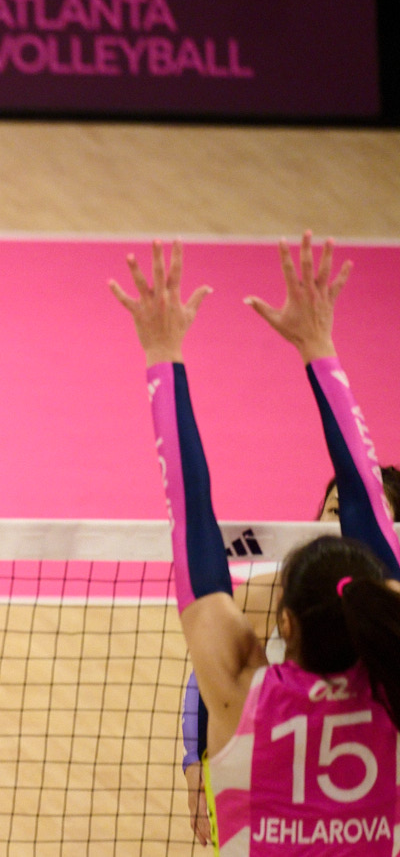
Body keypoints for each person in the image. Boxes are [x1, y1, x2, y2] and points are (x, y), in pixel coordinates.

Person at [111, 233, 400, 853]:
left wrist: (163, 355)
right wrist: (319, 348)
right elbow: (370, 508)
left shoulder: (242, 695)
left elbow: (191, 516)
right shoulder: (394, 693)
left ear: (284, 623)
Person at [180, 471, 400, 845]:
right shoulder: (265, 597)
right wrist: (195, 765)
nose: (342, 524)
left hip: (361, 799)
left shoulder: (391, 621)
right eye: (335, 510)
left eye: (365, 516)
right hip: (275, 793)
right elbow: (209, 680)